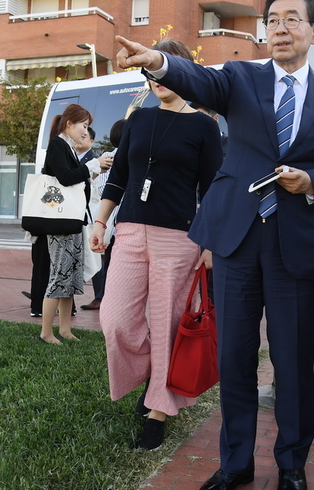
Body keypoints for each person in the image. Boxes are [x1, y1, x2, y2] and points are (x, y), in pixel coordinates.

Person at [114, 0, 314, 490]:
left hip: (295, 243)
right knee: (235, 359)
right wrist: (159, 61)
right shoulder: (241, 78)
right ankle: (235, 464)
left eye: (293, 19)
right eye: (273, 19)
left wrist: (312, 181)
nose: (280, 28)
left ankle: (292, 464)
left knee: (293, 363)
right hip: (235, 240)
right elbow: (197, 79)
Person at [90, 39, 222, 451]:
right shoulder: (139, 120)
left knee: (166, 326)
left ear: (182, 73)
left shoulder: (203, 125)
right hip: (129, 231)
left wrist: (209, 242)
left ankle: (159, 410)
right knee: (115, 320)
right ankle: (152, 374)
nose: (156, 80)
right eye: (149, 72)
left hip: (178, 239)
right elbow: (120, 176)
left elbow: (214, 188)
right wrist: (101, 219)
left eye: (162, 70)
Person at [39, 103, 111, 345]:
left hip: (71, 222)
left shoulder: (67, 147)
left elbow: (75, 181)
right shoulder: (58, 145)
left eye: (87, 126)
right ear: (69, 124)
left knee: (70, 277)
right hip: (60, 223)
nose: (85, 131)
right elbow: (66, 178)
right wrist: (91, 166)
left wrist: (91, 171)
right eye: (84, 125)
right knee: (59, 276)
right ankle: (46, 332)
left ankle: (65, 329)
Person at [81, 119, 126, 312]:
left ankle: (104, 299)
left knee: (107, 263)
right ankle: (106, 299)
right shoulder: (117, 158)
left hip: (103, 219)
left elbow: (98, 187)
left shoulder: (105, 157)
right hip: (115, 220)